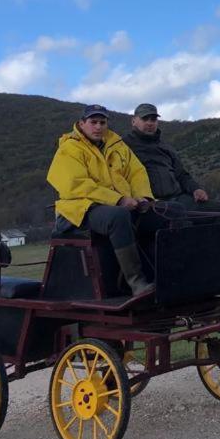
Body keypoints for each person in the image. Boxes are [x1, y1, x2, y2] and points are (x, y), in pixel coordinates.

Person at [47, 104, 155, 296]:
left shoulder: (117, 145)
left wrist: (143, 197)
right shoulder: (69, 148)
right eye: (93, 122)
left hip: (113, 204)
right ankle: (136, 282)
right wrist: (119, 199)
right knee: (118, 217)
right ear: (82, 124)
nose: (98, 127)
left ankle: (163, 275)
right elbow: (76, 185)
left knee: (167, 212)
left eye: (102, 122)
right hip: (78, 209)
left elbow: (137, 172)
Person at [123, 103, 220, 217]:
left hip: (178, 199)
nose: (150, 123)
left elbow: (181, 175)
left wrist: (196, 189)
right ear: (133, 121)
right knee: (178, 217)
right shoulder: (123, 147)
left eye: (153, 119)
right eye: (145, 118)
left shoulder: (166, 147)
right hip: (149, 204)